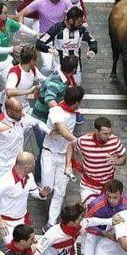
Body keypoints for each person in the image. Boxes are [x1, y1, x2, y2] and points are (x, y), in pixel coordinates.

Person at [0, 3, 40, 117]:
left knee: (9, 85)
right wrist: (12, 49)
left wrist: (34, 33)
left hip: (5, 61)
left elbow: (20, 26)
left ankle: (1, 101)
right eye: (5, 13)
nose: (8, 15)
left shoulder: (6, 22)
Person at [32, 203, 124, 255]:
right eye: (79, 219)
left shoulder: (79, 226)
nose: (82, 220)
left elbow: (92, 221)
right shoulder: (52, 234)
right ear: (71, 222)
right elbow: (38, 250)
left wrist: (110, 221)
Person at [0, 97, 49, 186]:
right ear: (10, 111)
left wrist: (49, 132)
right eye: (18, 111)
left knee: (12, 195)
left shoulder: (23, 116)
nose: (21, 113)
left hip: (15, 165)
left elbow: (37, 123)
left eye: (21, 110)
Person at [41, 86, 85, 229]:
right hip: (49, 153)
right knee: (47, 187)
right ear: (77, 102)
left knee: (60, 191)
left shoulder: (73, 113)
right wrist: (80, 142)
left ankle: (51, 222)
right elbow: (62, 130)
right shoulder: (55, 111)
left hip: (64, 156)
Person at [0, 152, 51, 244]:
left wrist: (41, 194)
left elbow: (33, 191)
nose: (35, 164)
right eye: (33, 163)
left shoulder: (29, 176)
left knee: (29, 244)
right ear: (26, 167)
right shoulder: (6, 181)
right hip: (7, 222)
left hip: (22, 219)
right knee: (15, 246)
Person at [31, 55, 79, 182]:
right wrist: (60, 111)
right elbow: (49, 99)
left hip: (47, 119)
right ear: (73, 70)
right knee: (43, 149)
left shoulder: (62, 77)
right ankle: (39, 179)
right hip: (41, 119)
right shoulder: (57, 81)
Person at [65, 117, 127, 205]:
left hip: (108, 187)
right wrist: (68, 165)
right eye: (105, 134)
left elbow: (123, 158)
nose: (108, 137)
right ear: (96, 131)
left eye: (110, 133)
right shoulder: (84, 141)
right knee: (91, 211)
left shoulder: (115, 140)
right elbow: (71, 146)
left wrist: (117, 161)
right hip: (88, 186)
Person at [81, 179, 127, 255]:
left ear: (122, 194)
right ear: (105, 193)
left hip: (116, 235)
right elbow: (86, 224)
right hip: (96, 234)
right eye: (108, 196)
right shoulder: (95, 205)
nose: (111, 200)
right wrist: (103, 233)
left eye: (115, 197)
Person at [36, 6, 98, 84]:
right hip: (59, 69)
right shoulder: (56, 29)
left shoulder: (81, 30)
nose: (81, 24)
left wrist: (92, 50)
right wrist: (48, 49)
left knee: (75, 93)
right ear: (71, 20)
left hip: (76, 70)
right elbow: (39, 43)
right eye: (79, 22)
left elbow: (92, 40)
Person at [4, 45, 45, 112]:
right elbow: (9, 92)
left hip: (25, 107)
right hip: (12, 110)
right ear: (31, 61)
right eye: (35, 60)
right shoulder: (14, 73)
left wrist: (39, 87)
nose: (36, 62)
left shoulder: (33, 69)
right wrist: (29, 91)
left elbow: (44, 80)